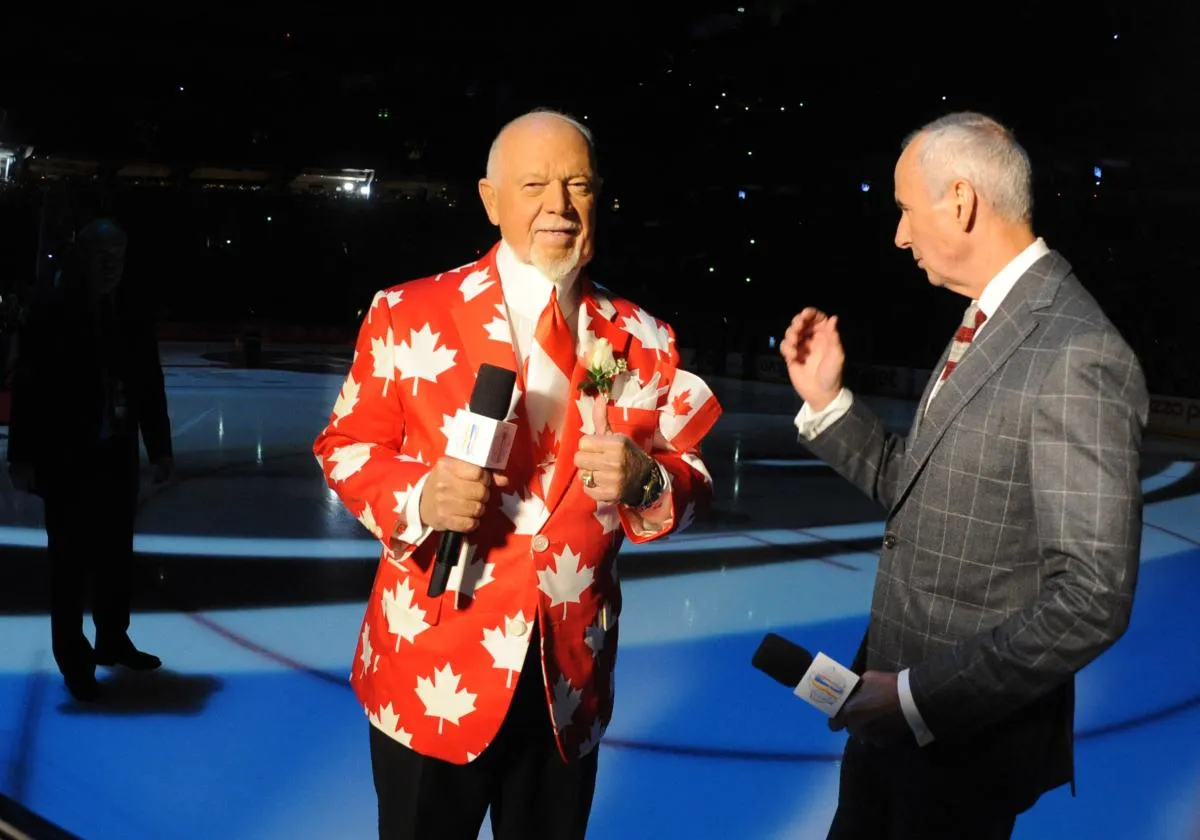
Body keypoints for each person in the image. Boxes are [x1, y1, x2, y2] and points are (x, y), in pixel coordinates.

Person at [313, 108, 721, 840]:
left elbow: (691, 482)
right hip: (433, 673)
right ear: (491, 199)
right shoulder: (408, 313)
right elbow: (344, 445)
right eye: (534, 184)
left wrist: (649, 483)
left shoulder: (648, 339)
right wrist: (418, 494)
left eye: (578, 186)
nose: (558, 207)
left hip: (569, 681)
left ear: (601, 199)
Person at [780, 112, 1148, 838]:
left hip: (960, 748)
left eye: (905, 210)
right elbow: (920, 492)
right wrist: (826, 401)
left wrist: (919, 700)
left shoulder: (1075, 350)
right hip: (886, 723)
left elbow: (1094, 597)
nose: (899, 234)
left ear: (959, 200)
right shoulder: (991, 317)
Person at [7, 183, 173, 703]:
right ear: (84, 257)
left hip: (115, 455)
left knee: (115, 556)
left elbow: (150, 383)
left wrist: (159, 446)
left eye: (118, 255)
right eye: (101, 255)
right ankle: (75, 662)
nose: (110, 264)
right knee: (70, 565)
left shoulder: (132, 310)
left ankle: (112, 640)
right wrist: (22, 456)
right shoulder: (53, 308)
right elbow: (29, 387)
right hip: (67, 458)